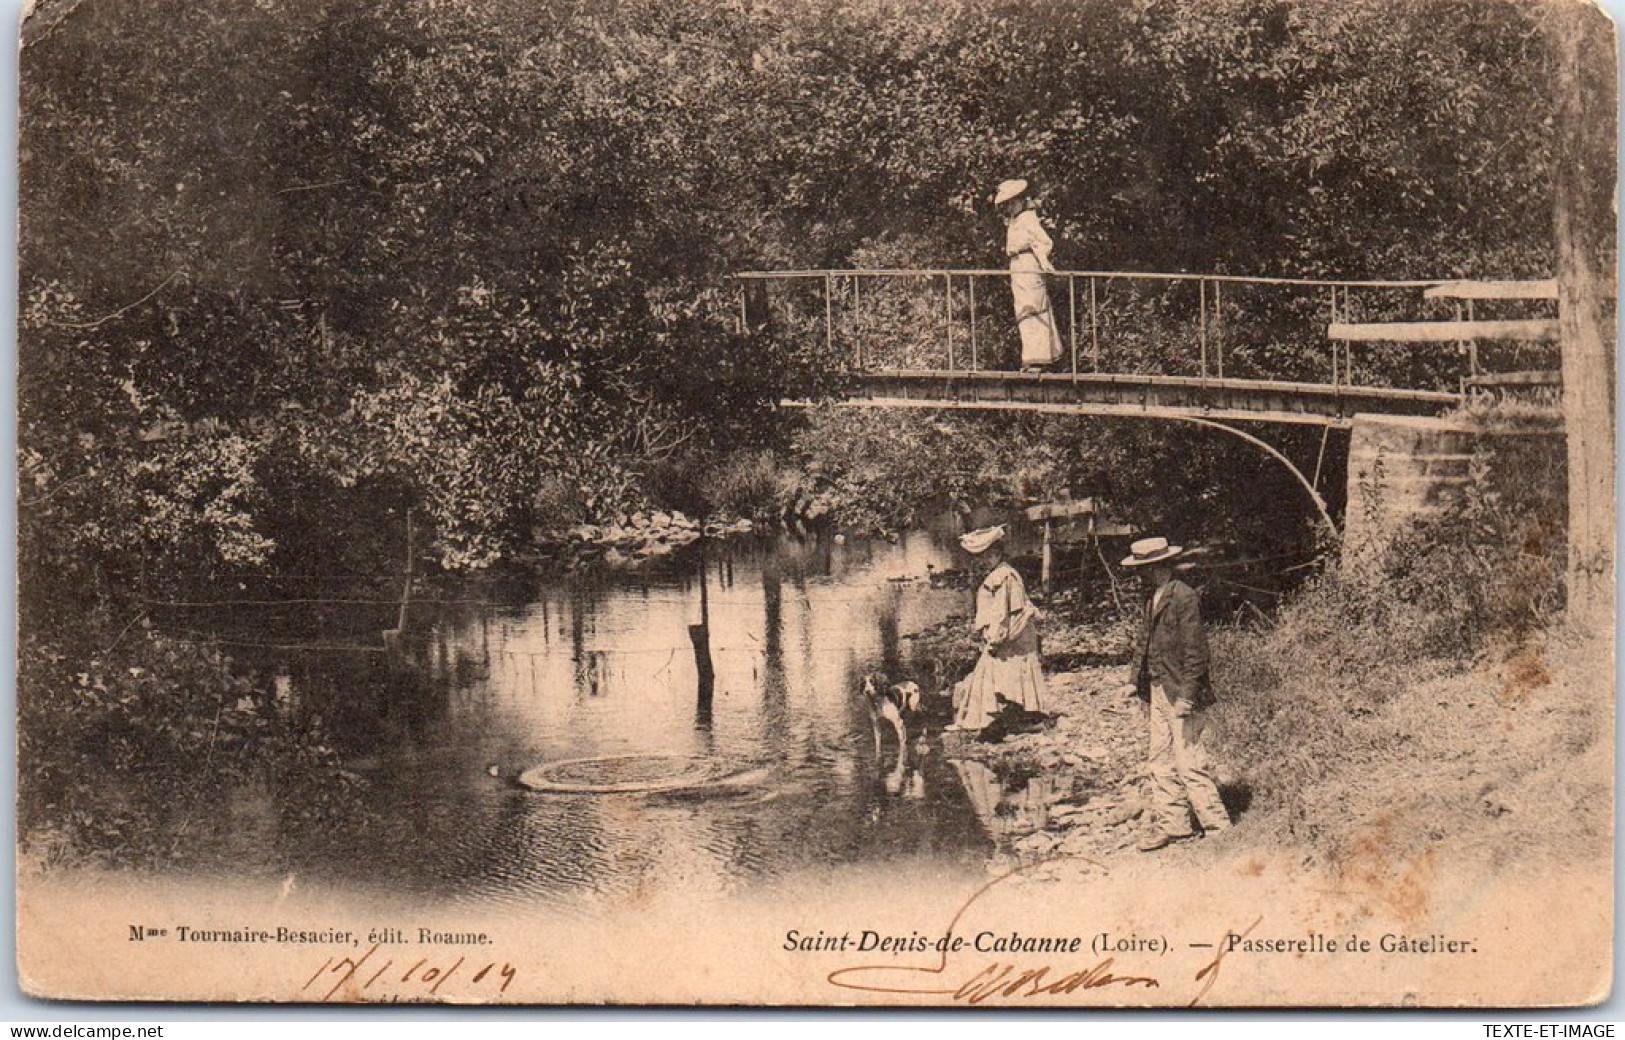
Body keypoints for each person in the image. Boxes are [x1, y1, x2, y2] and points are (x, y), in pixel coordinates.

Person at [1119, 536, 1231, 851]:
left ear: (1157, 567)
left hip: (1180, 689)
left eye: (1142, 570)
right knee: (1159, 759)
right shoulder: (1152, 598)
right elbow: (1144, 641)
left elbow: (1197, 653)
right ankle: (1176, 825)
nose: (1138, 576)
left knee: (1189, 760)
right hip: (1157, 687)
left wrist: (1187, 696)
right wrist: (1132, 680)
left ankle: (1217, 826)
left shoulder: (1184, 597)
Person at [950, 525, 1046, 732]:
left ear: (997, 553)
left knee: (1005, 672)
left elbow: (1002, 612)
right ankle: (1013, 716)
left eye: (987, 556)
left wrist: (995, 639)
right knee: (1005, 674)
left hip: (1012, 633)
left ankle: (1016, 718)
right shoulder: (1000, 574)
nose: (982, 561)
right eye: (981, 557)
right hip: (1013, 632)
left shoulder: (1003, 576)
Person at [994, 179, 1063, 371]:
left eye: (1013, 202)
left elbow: (1044, 242)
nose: (1010, 207)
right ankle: (1031, 356)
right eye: (1008, 204)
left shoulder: (1029, 219)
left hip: (1028, 265)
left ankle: (1039, 358)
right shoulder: (1016, 220)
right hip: (1018, 266)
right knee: (1023, 309)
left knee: (1033, 307)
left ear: (1021, 201)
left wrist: (1043, 260)